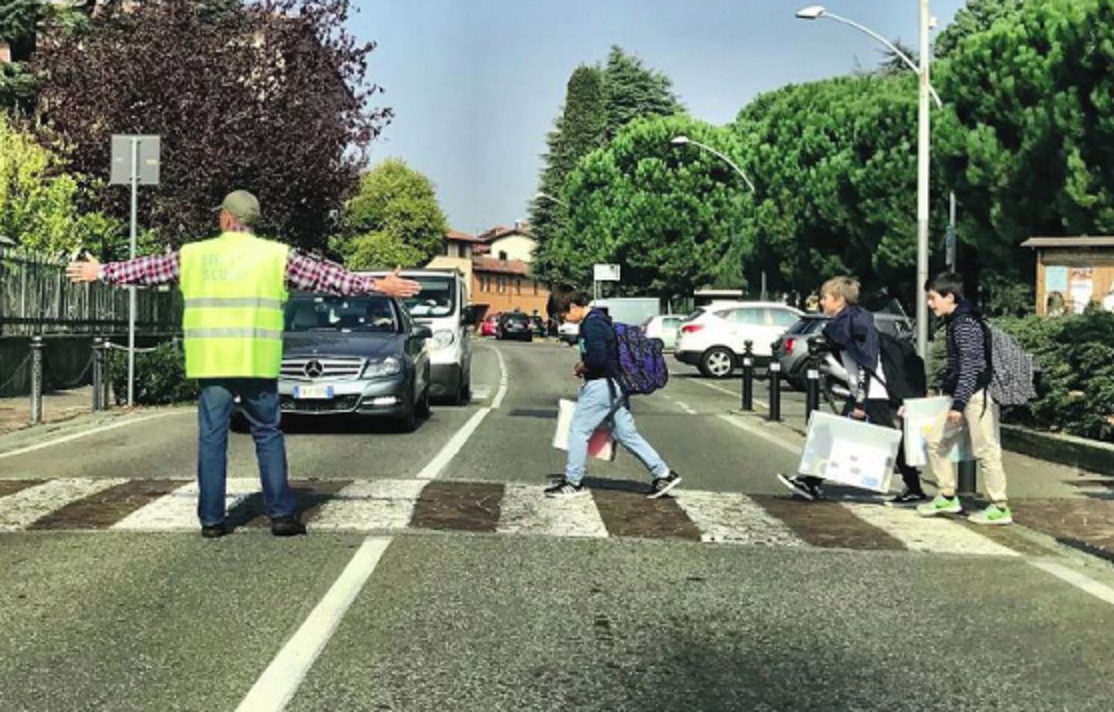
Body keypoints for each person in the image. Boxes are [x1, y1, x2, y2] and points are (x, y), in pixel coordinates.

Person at [66, 190, 421, 538]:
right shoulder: (276, 256)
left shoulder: (194, 255)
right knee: (267, 434)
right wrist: (378, 286)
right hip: (257, 361)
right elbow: (327, 278)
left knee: (212, 437)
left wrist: (101, 271)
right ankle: (281, 514)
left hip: (212, 362)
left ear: (226, 218)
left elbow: (146, 270)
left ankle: (211, 519)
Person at [778, 276, 927, 505]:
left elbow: (865, 363)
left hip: (871, 393)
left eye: (825, 298)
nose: (821, 302)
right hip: (868, 391)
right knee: (881, 438)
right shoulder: (851, 321)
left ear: (839, 300)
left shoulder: (854, 324)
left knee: (863, 437)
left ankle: (811, 482)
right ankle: (811, 482)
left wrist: (859, 401)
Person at [545, 287, 681, 499]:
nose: (563, 321)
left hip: (602, 385)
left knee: (578, 430)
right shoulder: (600, 320)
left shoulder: (592, 324)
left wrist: (582, 366)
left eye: (562, 315)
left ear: (572, 306)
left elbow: (597, 358)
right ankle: (663, 473)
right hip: (616, 384)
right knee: (625, 433)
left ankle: (573, 482)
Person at [916, 272, 1012, 525]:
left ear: (949, 297)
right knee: (935, 441)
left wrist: (958, 404)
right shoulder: (957, 322)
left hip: (976, 396)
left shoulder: (965, 324)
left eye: (933, 298)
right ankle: (947, 494)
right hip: (964, 394)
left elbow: (970, 367)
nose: (930, 304)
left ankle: (999, 506)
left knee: (986, 449)